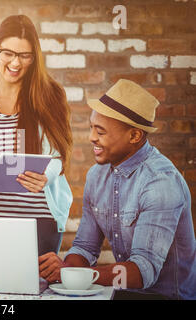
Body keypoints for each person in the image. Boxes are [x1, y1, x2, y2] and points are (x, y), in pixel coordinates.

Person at [38, 79, 196, 300]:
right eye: (92, 127)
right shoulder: (97, 175)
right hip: (123, 294)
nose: (92, 137)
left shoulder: (160, 183)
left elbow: (143, 272)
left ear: (134, 136)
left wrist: (77, 274)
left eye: (100, 132)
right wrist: (64, 269)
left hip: (166, 297)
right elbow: (84, 248)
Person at [0, 15, 73, 255]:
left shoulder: (50, 96)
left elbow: (56, 156)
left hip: (37, 222)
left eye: (24, 56)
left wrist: (46, 177)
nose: (15, 63)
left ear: (34, 57)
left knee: (33, 290)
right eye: (8, 53)